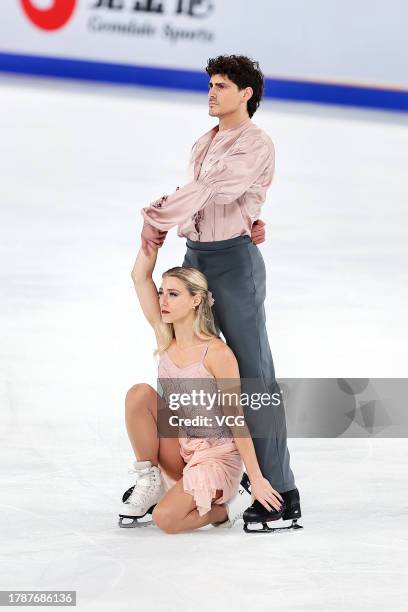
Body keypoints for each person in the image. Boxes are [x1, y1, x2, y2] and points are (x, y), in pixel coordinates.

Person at [138, 54, 302, 532]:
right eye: (210, 84)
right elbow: (202, 199)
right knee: (187, 355)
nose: (212, 92)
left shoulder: (255, 143)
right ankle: (205, 467)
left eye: (222, 85)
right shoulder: (205, 141)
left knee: (252, 379)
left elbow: (213, 190)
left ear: (246, 93)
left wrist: (158, 215)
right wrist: (179, 224)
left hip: (232, 262)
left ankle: (281, 489)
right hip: (198, 258)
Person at [119, 245, 284, 534]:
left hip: (216, 458)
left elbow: (236, 418)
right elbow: (139, 277)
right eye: (161, 293)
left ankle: (226, 509)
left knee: (166, 520)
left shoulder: (217, 353)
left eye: (173, 294)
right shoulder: (164, 336)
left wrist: (256, 478)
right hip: (183, 447)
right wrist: (151, 236)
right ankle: (150, 481)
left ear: (196, 300)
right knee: (139, 394)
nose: (162, 300)